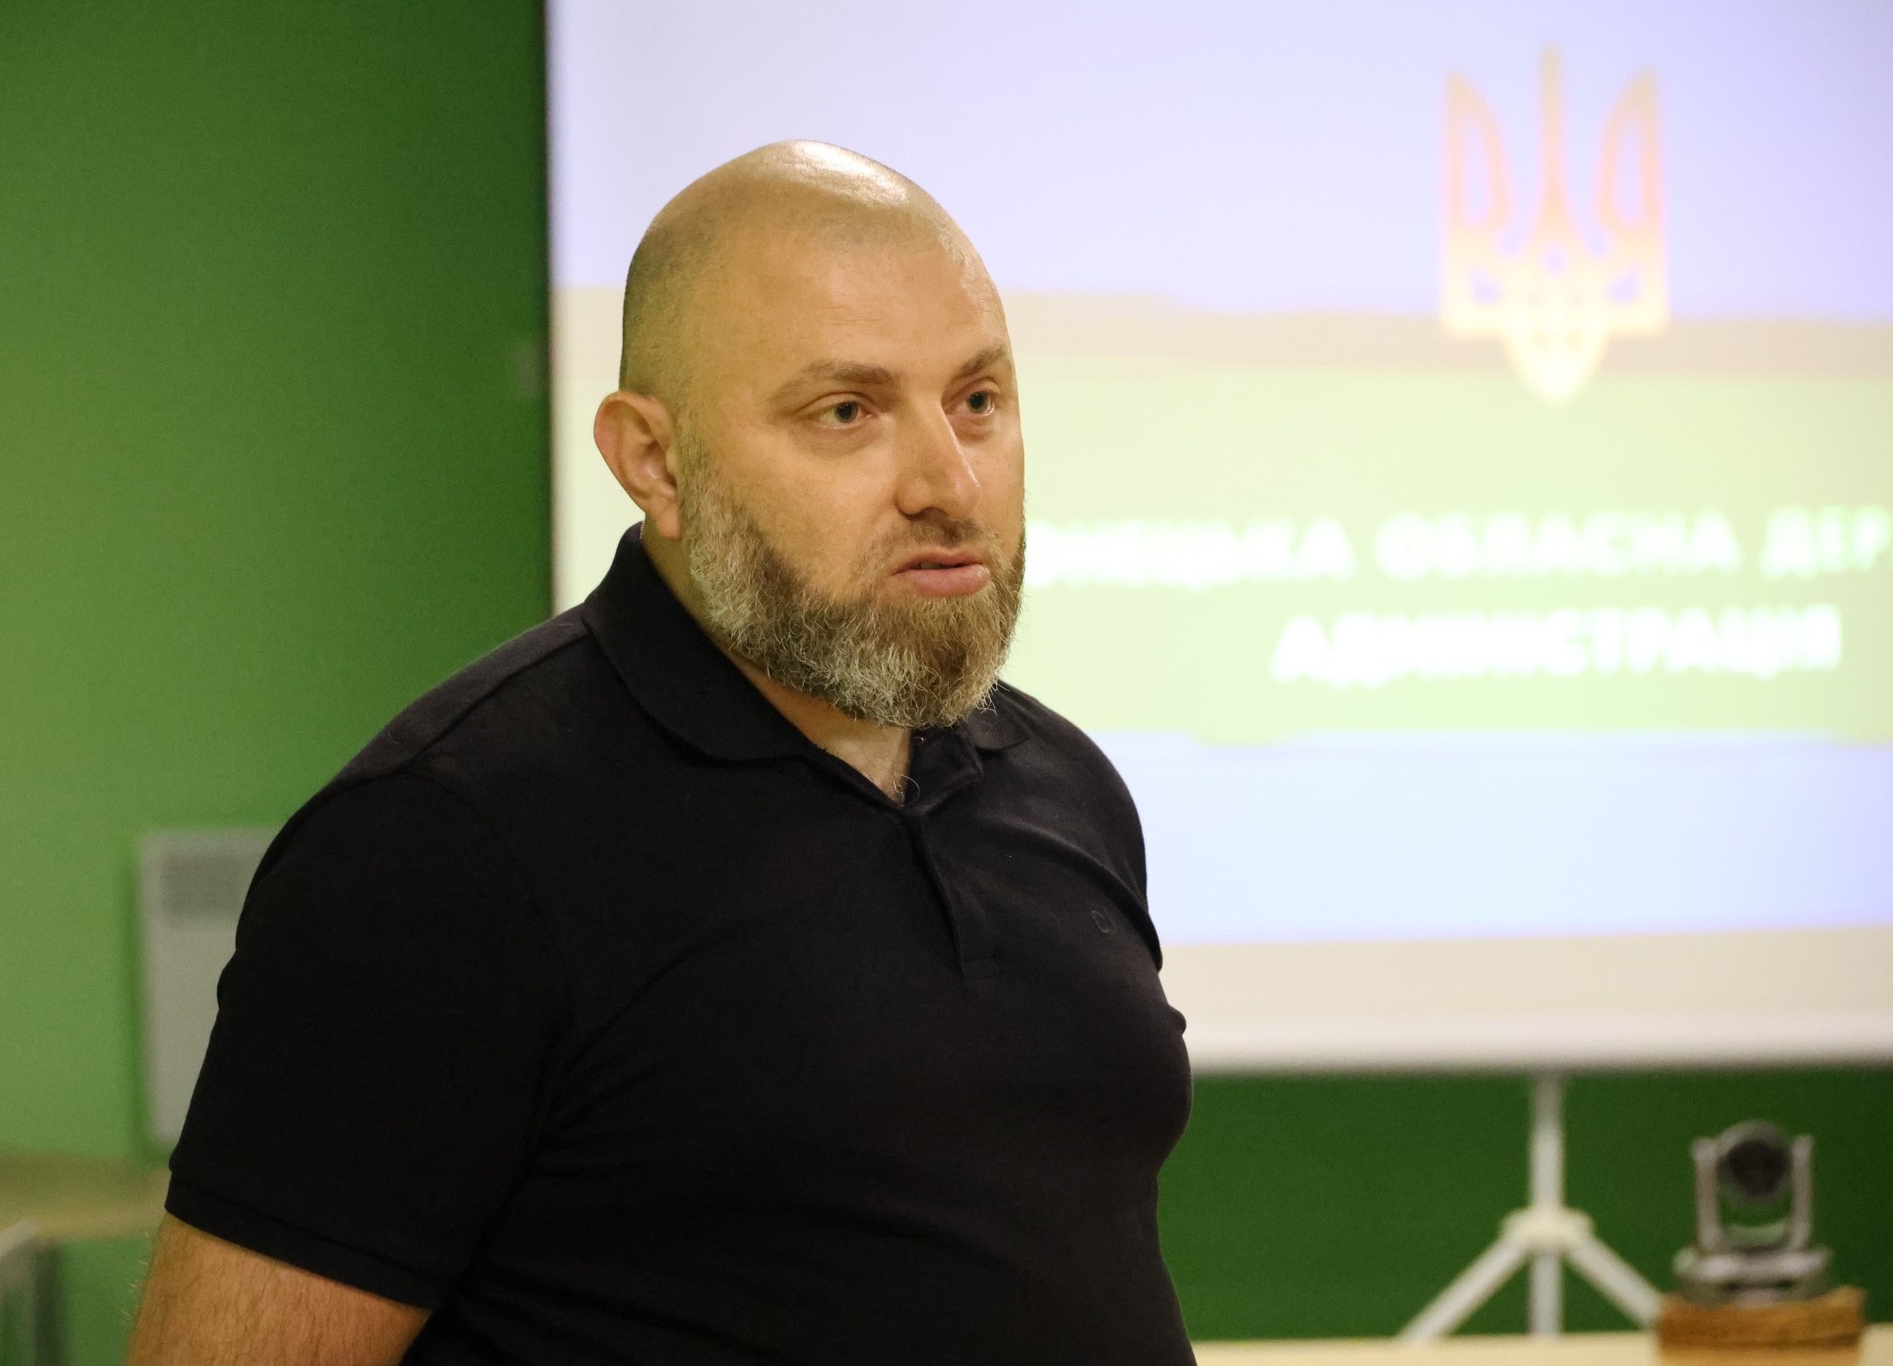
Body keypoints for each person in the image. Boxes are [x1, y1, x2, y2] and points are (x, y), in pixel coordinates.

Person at [127, 141, 1194, 1365]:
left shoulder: (1064, 786)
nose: (948, 483)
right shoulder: (442, 847)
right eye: (846, 412)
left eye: (977, 402)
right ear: (652, 459)